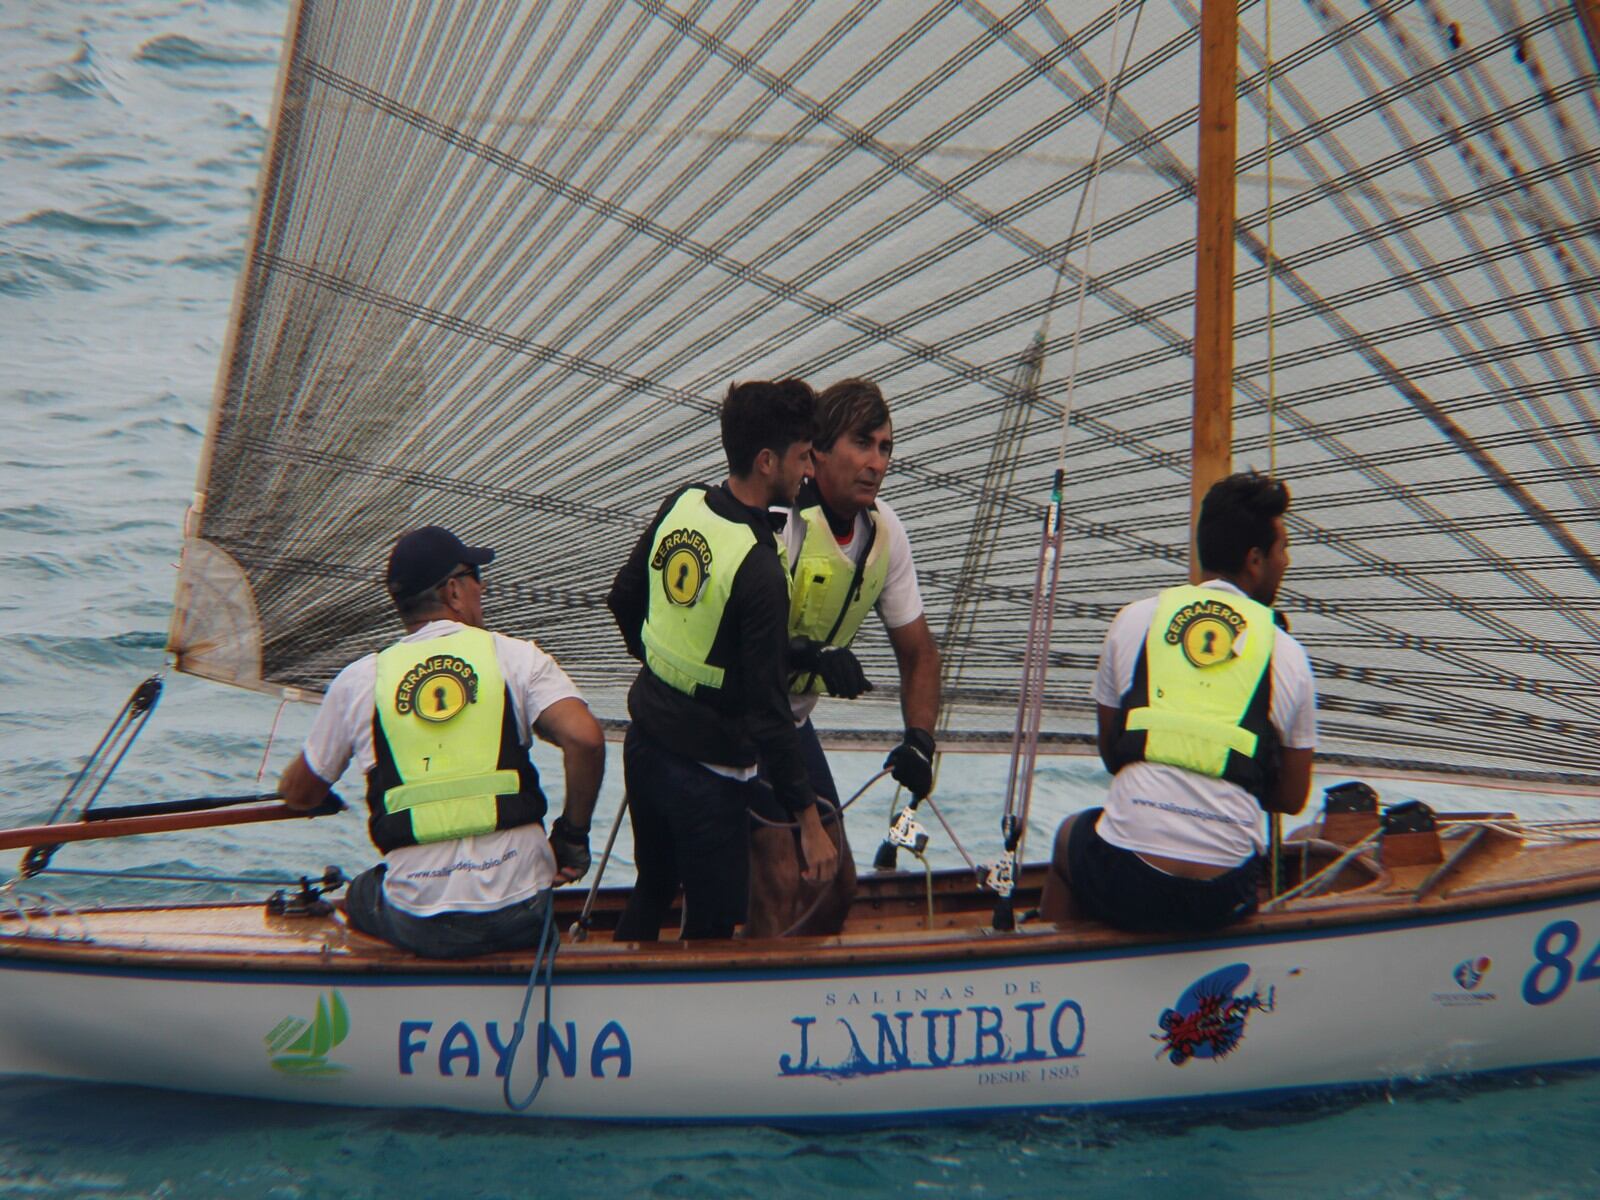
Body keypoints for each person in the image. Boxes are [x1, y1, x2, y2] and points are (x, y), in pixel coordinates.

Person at [278, 525, 605, 958]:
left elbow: (301, 794)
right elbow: (585, 739)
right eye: (475, 577)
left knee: (360, 892)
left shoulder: (360, 681)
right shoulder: (517, 658)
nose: (482, 588)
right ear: (453, 591)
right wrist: (571, 837)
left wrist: (300, 784)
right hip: (519, 910)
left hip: (421, 919)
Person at [607, 379, 839, 940]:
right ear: (766, 461)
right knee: (712, 925)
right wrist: (809, 821)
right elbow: (767, 710)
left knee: (654, 885)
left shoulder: (683, 503)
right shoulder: (759, 567)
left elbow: (623, 597)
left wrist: (670, 676)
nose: (809, 471)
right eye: (803, 457)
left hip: (645, 746)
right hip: (707, 778)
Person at [1037, 472, 1317, 934]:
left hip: (1130, 881)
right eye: (1282, 549)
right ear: (1254, 560)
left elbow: (1113, 755)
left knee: (1071, 839)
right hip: (1222, 895)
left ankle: (1056, 973)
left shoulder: (1134, 621)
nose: (1287, 561)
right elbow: (1291, 798)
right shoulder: (1287, 653)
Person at [745, 378, 942, 937]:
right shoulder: (781, 526)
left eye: (885, 448)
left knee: (837, 885)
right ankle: (756, 1002)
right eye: (862, 443)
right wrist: (811, 652)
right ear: (818, 453)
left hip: (795, 721)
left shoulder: (885, 533)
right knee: (785, 879)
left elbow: (919, 653)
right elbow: (738, 646)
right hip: (739, 723)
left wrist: (920, 739)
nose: (876, 463)